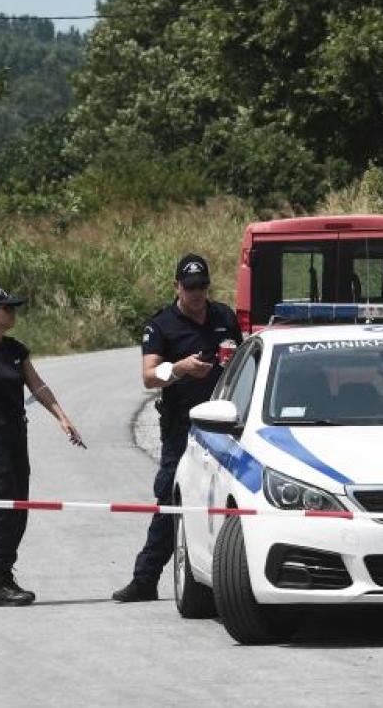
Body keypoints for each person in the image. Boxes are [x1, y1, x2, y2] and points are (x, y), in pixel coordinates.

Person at [113, 254, 242, 602]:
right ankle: (145, 578)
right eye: (190, 288)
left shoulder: (224, 317)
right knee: (172, 496)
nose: (197, 294)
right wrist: (181, 368)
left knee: (229, 496)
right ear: (177, 287)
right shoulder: (161, 326)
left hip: (224, 422)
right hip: (181, 426)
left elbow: (242, 361)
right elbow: (149, 375)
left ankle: (226, 575)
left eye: (202, 287)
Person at [0, 287, 85, 607]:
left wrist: (62, 418)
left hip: (15, 435)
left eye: (12, 308)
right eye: (6, 308)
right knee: (2, 511)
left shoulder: (15, 349)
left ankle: (5, 574)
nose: (12, 313)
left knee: (19, 509)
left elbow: (37, 386)